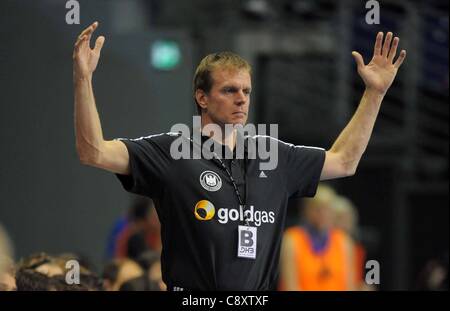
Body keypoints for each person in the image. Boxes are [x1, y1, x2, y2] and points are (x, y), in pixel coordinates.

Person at [73, 21, 406, 290]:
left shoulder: (273, 155)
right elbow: (93, 151)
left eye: (246, 91)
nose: (241, 99)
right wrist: (83, 79)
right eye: (229, 90)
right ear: (202, 98)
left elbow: (345, 161)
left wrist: (375, 93)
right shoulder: (171, 152)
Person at [279, 185, 356, 290]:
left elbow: (349, 286)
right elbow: (290, 287)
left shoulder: (343, 241)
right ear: (306, 210)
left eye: (327, 209)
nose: (323, 214)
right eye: (318, 209)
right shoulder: (292, 239)